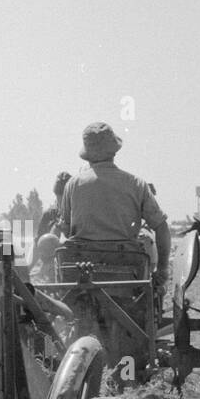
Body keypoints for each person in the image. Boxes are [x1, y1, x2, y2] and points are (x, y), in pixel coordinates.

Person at [61, 124, 171, 294]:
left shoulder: (73, 185)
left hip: (79, 271)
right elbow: (161, 227)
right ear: (114, 151)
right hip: (127, 272)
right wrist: (162, 269)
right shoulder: (136, 184)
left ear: (87, 155)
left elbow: (66, 229)